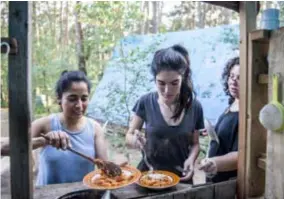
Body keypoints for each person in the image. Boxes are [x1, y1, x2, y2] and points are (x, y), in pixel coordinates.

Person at [1, 70, 108, 186]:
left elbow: (106, 168)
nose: (79, 105)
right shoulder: (44, 124)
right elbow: (3, 148)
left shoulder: (95, 128)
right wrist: (43, 141)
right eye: (72, 99)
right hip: (48, 195)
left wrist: (118, 168)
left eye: (84, 98)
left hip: (82, 194)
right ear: (59, 98)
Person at [125, 44, 204, 183]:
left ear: (183, 78)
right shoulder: (145, 102)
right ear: (154, 79)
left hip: (181, 178)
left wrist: (191, 161)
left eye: (174, 83)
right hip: (149, 177)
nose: (167, 91)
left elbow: (195, 144)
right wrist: (136, 141)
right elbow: (129, 135)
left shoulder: (194, 107)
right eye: (161, 83)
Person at [199, 57, 239, 183]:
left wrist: (214, 162)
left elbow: (241, 155)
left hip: (229, 181)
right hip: (215, 177)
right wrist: (213, 130)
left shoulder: (248, 114)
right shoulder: (233, 103)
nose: (233, 82)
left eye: (240, 78)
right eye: (232, 76)